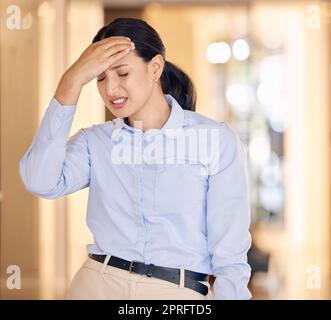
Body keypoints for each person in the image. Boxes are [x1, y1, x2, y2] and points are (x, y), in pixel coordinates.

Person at [19, 17, 252, 300]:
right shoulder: (95, 142)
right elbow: (40, 181)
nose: (111, 89)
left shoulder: (215, 140)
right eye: (100, 78)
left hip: (177, 293)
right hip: (96, 286)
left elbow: (230, 255)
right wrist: (71, 81)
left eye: (122, 73)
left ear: (155, 67)